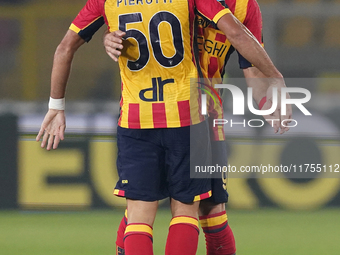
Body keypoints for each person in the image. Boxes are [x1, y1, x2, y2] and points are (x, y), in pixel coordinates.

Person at [36, 0, 289, 254]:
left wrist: (267, 101)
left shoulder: (245, 7)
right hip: (187, 116)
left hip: (198, 115)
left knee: (205, 214)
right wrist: (108, 36)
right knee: (177, 210)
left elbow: (252, 68)